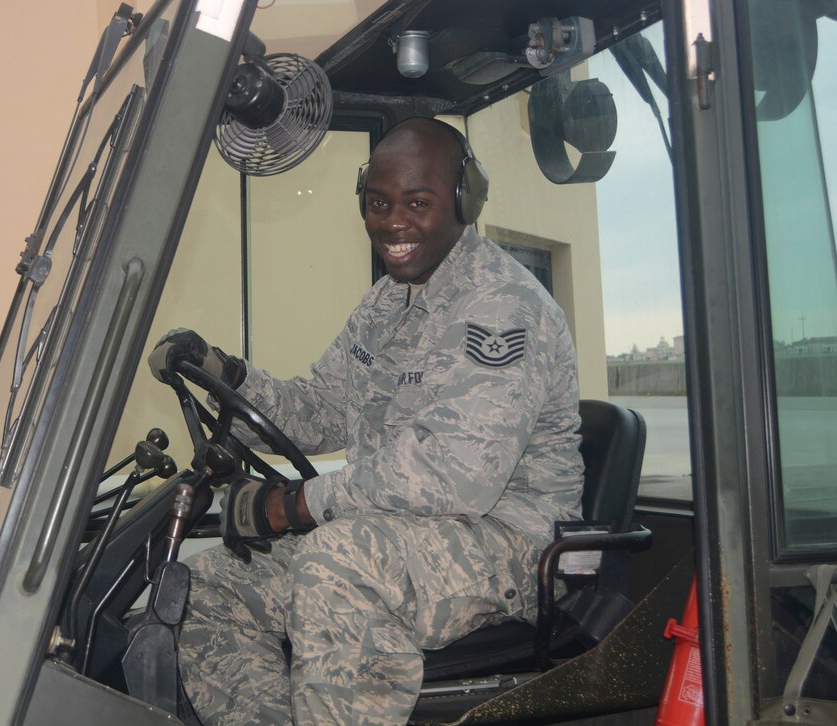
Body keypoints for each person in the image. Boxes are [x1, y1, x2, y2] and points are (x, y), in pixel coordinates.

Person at [147, 117, 584, 725]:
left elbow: (454, 478)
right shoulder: (386, 303)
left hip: (508, 545)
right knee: (209, 584)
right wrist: (227, 377)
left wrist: (292, 506)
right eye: (378, 203)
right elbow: (322, 407)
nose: (393, 223)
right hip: (397, 533)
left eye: (418, 203)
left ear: (465, 201)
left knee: (340, 557)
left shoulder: (502, 308)